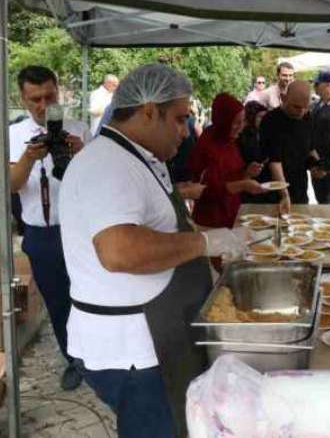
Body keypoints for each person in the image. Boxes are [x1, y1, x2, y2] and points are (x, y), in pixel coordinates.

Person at [59, 64, 249, 438]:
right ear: (148, 110)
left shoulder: (138, 157)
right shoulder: (107, 164)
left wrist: (221, 236)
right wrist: (206, 243)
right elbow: (120, 251)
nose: (185, 131)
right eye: (179, 119)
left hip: (156, 336)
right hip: (132, 349)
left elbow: (165, 229)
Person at [10, 66, 91, 391]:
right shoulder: (14, 134)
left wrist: (81, 152)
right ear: (23, 99)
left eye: (50, 96)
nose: (44, 105)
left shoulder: (79, 129)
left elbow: (95, 180)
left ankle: (93, 352)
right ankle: (73, 357)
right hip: (41, 231)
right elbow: (12, 185)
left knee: (86, 294)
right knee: (57, 301)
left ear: (59, 91)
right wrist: (29, 157)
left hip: (78, 229)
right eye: (36, 99)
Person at [186, 93, 265, 230]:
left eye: (243, 121)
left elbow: (233, 176)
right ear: (224, 121)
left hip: (232, 215)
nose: (241, 127)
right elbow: (206, 190)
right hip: (211, 222)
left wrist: (247, 173)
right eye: (236, 122)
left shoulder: (230, 140)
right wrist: (243, 185)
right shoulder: (207, 145)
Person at [260, 81, 323, 211]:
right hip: (275, 190)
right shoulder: (270, 120)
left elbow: (310, 149)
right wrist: (284, 194)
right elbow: (274, 161)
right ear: (283, 98)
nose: (301, 111)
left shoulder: (307, 118)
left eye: (305, 107)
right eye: (296, 107)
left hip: (300, 188)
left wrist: (316, 166)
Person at [309, 70, 330, 204]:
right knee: (321, 199)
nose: (315, 87)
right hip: (316, 160)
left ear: (328, 85)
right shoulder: (316, 106)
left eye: (318, 84)